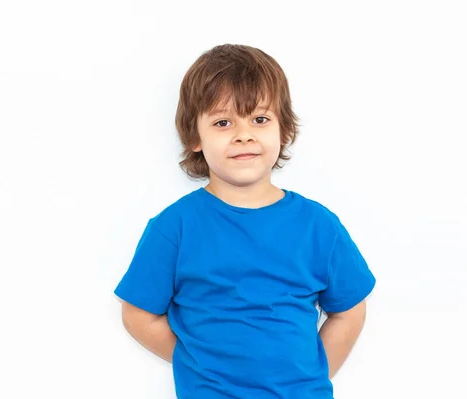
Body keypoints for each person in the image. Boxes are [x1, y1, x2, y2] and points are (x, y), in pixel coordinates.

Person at [114, 43, 376, 399]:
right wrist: (197, 363)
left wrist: (311, 376)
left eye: (260, 119)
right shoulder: (174, 227)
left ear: (284, 130)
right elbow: (138, 314)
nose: (244, 135)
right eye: (223, 122)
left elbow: (349, 310)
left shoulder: (319, 226)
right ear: (194, 137)